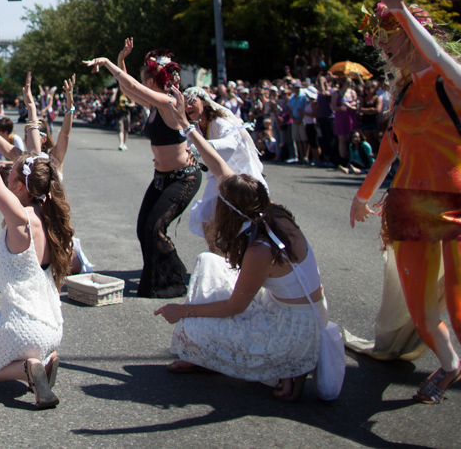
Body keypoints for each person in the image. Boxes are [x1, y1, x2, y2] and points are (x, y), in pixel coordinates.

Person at [351, 0, 461, 448]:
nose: (382, 46)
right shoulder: (402, 95)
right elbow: (388, 152)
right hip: (407, 208)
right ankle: (449, 364)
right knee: (422, 316)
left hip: (460, 208)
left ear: (411, 34)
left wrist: (401, 11)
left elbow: (446, 61)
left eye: (389, 36)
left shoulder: (456, 86)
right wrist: (362, 196)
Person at [156, 83, 328, 402]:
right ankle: (227, 359)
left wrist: (183, 310)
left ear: (230, 211)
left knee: (192, 330)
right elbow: (217, 164)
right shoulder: (270, 211)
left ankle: (289, 367)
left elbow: (234, 307)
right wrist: (185, 125)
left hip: (292, 331)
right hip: (298, 312)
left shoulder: (261, 248)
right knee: (209, 261)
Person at [0, 66, 71, 409]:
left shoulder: (20, 218)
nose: (6, 170)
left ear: (19, 186)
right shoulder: (50, 213)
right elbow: (29, 156)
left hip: (25, 328)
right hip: (51, 327)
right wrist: (30, 108)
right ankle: (41, 359)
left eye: (11, 171)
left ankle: (26, 369)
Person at [85, 39, 201, 298]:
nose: (139, 80)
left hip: (183, 178)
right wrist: (120, 60)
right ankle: (161, 278)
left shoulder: (169, 103)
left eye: (142, 77)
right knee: (143, 228)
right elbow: (128, 90)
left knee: (154, 227)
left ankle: (173, 279)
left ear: (150, 80)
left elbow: (133, 86)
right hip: (161, 177)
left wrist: (108, 63)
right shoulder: (155, 105)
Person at [179, 86, 268, 249]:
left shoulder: (219, 121)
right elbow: (187, 147)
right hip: (218, 176)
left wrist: (201, 146)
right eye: (185, 103)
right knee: (206, 215)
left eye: (192, 101)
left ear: (204, 102)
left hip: (241, 175)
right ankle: (216, 253)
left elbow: (230, 143)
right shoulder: (196, 127)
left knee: (248, 218)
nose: (188, 106)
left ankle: (249, 253)